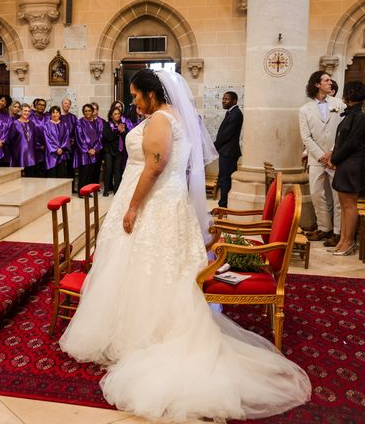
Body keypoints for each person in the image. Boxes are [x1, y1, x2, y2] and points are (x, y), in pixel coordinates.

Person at [59, 69, 311, 422]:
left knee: (149, 266)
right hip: (165, 201)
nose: (133, 102)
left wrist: (132, 206)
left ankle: (148, 333)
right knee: (155, 267)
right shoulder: (170, 116)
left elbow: (156, 166)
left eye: (136, 96)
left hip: (154, 203)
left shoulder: (161, 119)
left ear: (151, 94)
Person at [299, 71, 345, 247]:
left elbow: (342, 131)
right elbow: (306, 137)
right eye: (326, 80)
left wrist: (333, 153)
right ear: (317, 84)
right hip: (316, 159)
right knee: (316, 194)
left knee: (337, 197)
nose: (330, 82)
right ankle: (324, 228)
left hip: (336, 158)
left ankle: (337, 232)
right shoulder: (305, 109)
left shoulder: (339, 104)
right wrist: (321, 156)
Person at [328, 81, 365, 256]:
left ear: (349, 94)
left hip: (353, 164)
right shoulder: (352, 114)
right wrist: (335, 157)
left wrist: (335, 158)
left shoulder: (360, 116)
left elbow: (353, 143)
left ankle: (349, 242)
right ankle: (342, 240)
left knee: (349, 205)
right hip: (346, 163)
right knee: (344, 205)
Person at [213, 91, 243, 208]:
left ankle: (223, 207)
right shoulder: (231, 113)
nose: (223, 101)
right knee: (223, 178)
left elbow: (226, 135)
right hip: (226, 151)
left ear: (234, 101)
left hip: (229, 152)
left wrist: (213, 147)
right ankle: (223, 205)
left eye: (226, 99)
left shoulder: (236, 114)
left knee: (224, 180)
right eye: (223, 98)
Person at [74, 104, 102, 193]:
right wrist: (87, 149)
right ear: (83, 112)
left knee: (91, 172)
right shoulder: (80, 122)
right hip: (84, 152)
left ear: (92, 111)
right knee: (84, 172)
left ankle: (88, 191)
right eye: (85, 111)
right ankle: (82, 192)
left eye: (89, 110)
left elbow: (100, 137)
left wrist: (95, 149)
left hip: (94, 152)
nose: (87, 112)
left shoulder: (96, 123)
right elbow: (79, 137)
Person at [102, 105, 128, 196]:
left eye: (119, 114)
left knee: (117, 171)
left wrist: (124, 132)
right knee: (108, 170)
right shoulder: (106, 124)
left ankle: (116, 190)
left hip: (119, 150)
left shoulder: (123, 124)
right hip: (109, 151)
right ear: (111, 115)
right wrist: (117, 131)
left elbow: (126, 137)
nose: (117, 116)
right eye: (115, 114)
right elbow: (107, 137)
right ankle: (106, 190)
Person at [7, 104, 37, 177]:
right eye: (25, 111)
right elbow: (10, 139)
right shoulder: (15, 124)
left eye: (28, 111)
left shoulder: (32, 124)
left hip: (31, 155)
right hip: (19, 155)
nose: (27, 113)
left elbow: (35, 138)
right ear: (20, 111)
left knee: (31, 178)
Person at [43, 105, 71, 178]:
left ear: (59, 114)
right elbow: (47, 139)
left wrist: (62, 148)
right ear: (50, 114)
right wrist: (56, 149)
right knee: (52, 174)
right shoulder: (46, 125)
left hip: (62, 152)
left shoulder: (64, 124)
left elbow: (66, 137)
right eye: (53, 112)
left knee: (61, 173)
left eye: (57, 112)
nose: (55, 114)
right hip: (51, 153)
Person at [60, 98, 78, 188]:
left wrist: (73, 140)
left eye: (68, 103)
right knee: (62, 168)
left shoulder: (73, 117)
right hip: (60, 147)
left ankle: (70, 188)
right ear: (62, 104)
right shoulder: (57, 116)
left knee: (71, 167)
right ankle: (62, 187)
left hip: (71, 146)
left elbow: (76, 131)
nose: (67, 105)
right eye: (65, 103)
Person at [0, 94, 13, 166]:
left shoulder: (7, 116)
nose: (3, 103)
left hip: (3, 146)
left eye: (5, 103)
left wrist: (2, 141)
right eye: (2, 101)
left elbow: (8, 130)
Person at [31, 98, 48, 177]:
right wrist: (38, 146)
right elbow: (29, 134)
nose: (41, 107)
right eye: (39, 105)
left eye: (43, 105)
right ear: (36, 106)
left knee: (44, 172)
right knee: (35, 172)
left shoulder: (47, 117)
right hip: (34, 149)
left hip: (46, 149)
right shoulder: (31, 117)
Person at [90, 102, 105, 185]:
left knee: (97, 168)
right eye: (92, 109)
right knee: (89, 169)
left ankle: (95, 185)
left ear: (97, 110)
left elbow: (101, 136)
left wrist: (96, 148)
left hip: (98, 149)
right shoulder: (86, 120)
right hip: (89, 149)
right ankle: (89, 185)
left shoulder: (102, 121)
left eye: (95, 109)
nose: (93, 111)